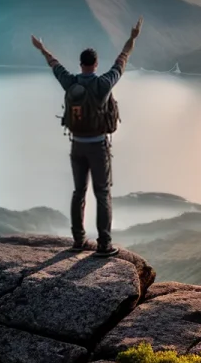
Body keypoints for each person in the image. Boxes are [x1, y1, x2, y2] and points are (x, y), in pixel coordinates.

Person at [31, 17, 143, 257]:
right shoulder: (103, 84)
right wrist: (132, 38)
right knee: (102, 194)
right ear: (95, 64)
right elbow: (121, 61)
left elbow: (54, 64)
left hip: (77, 147)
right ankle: (104, 244)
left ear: (81, 64)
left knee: (78, 192)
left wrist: (42, 49)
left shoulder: (70, 83)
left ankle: (78, 240)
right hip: (98, 148)